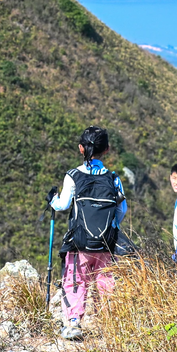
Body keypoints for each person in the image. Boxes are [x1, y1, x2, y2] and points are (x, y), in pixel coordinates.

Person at [48, 126, 127, 340]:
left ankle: (74, 323)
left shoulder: (73, 176)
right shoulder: (113, 178)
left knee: (76, 279)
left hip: (79, 243)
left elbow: (63, 205)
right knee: (104, 280)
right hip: (106, 244)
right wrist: (111, 228)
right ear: (107, 149)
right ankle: (109, 325)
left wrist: (52, 200)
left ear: (81, 149)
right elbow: (122, 209)